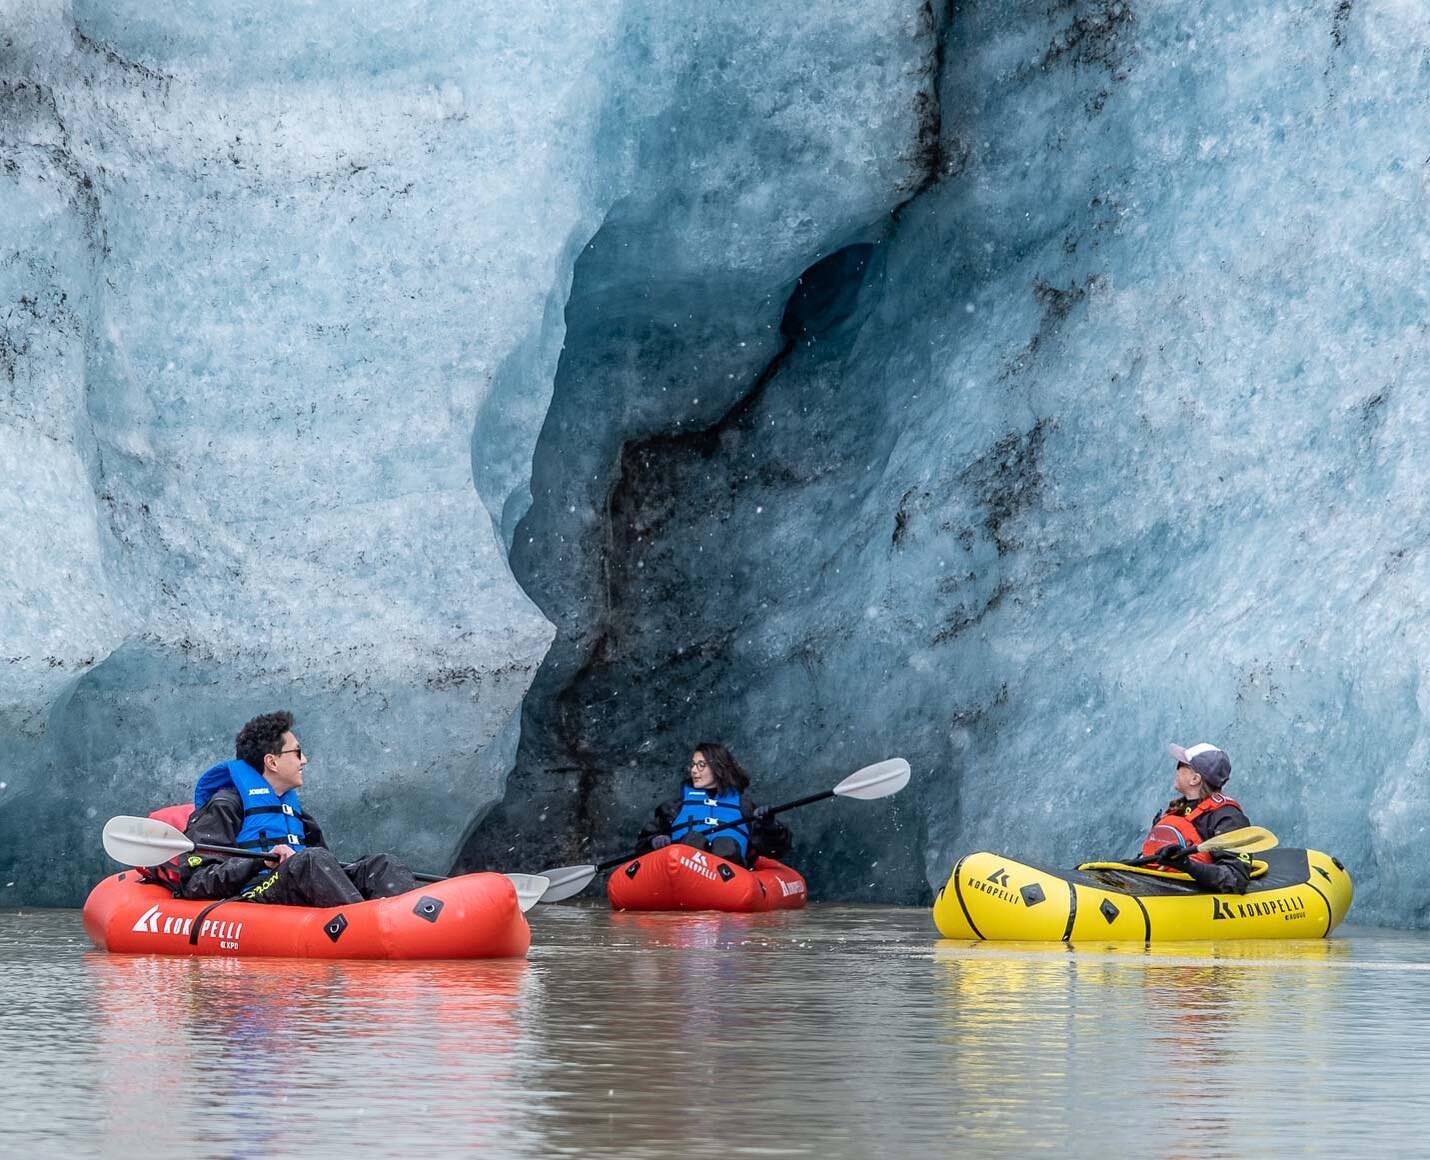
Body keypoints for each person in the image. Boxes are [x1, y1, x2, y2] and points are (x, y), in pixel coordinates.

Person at [179, 710, 418, 907]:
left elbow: (327, 869)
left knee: (382, 864)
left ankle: (410, 928)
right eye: (297, 753)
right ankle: (362, 929)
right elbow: (196, 882)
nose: (305, 760)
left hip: (292, 888)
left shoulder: (298, 815)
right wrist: (259, 863)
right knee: (310, 860)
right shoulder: (226, 805)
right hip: (251, 896)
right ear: (271, 761)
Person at [637, 743, 792, 867]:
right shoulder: (673, 808)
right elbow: (643, 843)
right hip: (683, 871)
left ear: (718, 768)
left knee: (725, 846)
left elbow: (775, 850)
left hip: (729, 876)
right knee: (692, 841)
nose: (694, 771)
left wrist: (770, 826)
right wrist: (654, 840)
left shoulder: (745, 807)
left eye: (701, 765)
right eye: (693, 765)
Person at [1140, 741, 1252, 894]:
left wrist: (1186, 865)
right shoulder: (1177, 809)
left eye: (1181, 764)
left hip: (1195, 900)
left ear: (1195, 779)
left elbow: (1235, 879)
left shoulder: (1228, 818)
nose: (1177, 769)